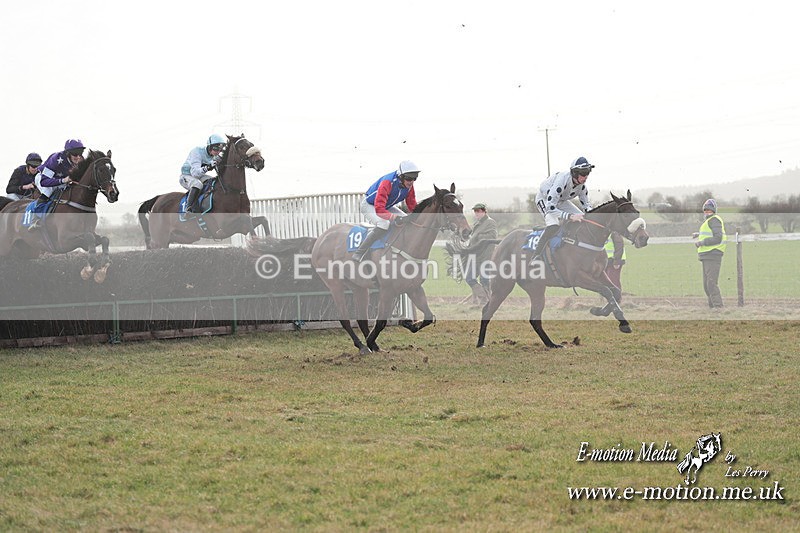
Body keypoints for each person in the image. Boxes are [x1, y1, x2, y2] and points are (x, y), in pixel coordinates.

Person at [352, 160, 419, 262]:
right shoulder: (387, 182)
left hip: (386, 206)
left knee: (407, 221)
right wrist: (394, 217)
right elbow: (379, 209)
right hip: (370, 205)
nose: (411, 181)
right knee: (384, 223)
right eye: (409, 178)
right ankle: (360, 252)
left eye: (414, 178)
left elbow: (412, 204)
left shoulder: (409, 186)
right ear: (401, 176)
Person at [530, 156, 594, 259]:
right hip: (545, 200)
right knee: (553, 225)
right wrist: (569, 217)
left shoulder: (582, 187)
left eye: (588, 172)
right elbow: (550, 207)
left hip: (561, 201)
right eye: (583, 173)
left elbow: (587, 207)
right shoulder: (562, 181)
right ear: (575, 173)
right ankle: (536, 255)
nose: (586, 176)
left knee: (583, 219)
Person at [28, 139, 85, 230]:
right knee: (48, 191)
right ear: (68, 153)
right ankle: (35, 219)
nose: (78, 157)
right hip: (43, 178)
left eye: (80, 153)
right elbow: (44, 182)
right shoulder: (55, 159)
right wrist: (63, 180)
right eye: (75, 153)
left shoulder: (81, 160)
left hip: (62, 180)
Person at [462, 203, 498, 305]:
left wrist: (477, 236)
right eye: (475, 211)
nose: (476, 213)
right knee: (469, 278)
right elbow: (473, 239)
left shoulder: (490, 222)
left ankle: (488, 302)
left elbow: (492, 237)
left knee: (484, 280)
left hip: (486, 256)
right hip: (475, 256)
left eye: (478, 211)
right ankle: (484, 298)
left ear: (484, 211)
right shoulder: (477, 224)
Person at [692, 198, 726, 308]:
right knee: (707, 285)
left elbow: (718, 238)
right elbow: (710, 233)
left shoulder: (714, 220)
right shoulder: (709, 221)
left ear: (714, 211)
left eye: (709, 210)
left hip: (713, 254)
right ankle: (713, 308)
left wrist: (701, 242)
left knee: (711, 284)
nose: (707, 212)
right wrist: (699, 234)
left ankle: (718, 308)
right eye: (705, 210)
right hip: (706, 256)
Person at [180, 134, 226, 213]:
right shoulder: (197, 152)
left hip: (199, 176)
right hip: (187, 176)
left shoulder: (215, 155)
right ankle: (189, 208)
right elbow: (195, 173)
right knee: (198, 184)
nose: (217, 152)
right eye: (215, 149)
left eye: (220, 150)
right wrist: (207, 167)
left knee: (213, 182)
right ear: (209, 147)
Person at [603, 232, 626, 301]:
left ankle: (616, 300)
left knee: (613, 281)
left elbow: (619, 245)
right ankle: (609, 299)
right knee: (605, 281)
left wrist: (617, 261)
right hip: (606, 260)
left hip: (614, 260)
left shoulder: (614, 232)